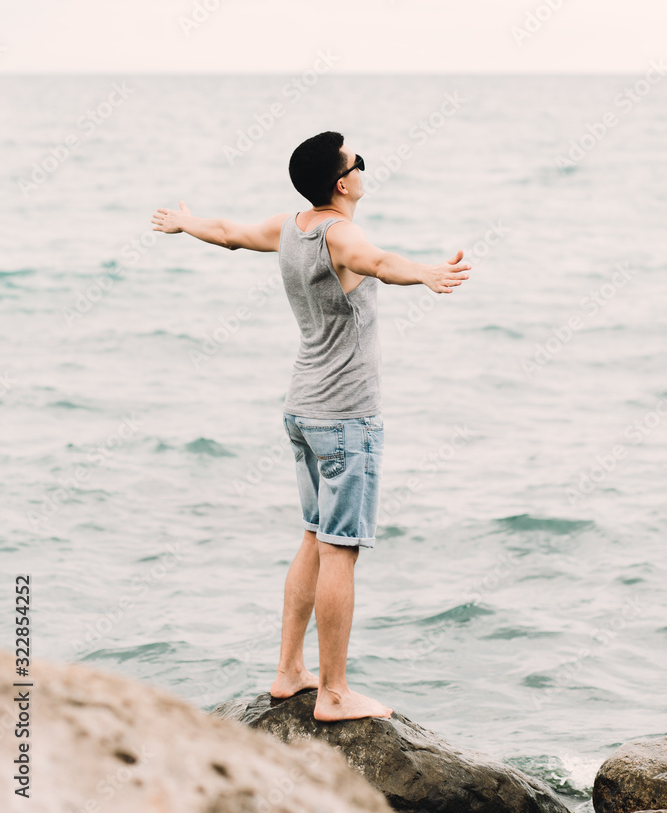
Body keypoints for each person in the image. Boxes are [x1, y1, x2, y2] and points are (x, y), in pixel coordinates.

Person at [152, 130, 471, 721]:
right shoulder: (342, 234)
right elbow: (377, 262)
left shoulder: (289, 226)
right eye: (359, 162)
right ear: (343, 183)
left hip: (301, 409)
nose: (363, 169)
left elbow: (227, 234)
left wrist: (185, 222)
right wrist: (426, 273)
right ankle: (333, 692)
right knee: (340, 550)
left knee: (312, 536)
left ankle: (287, 672)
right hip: (345, 417)